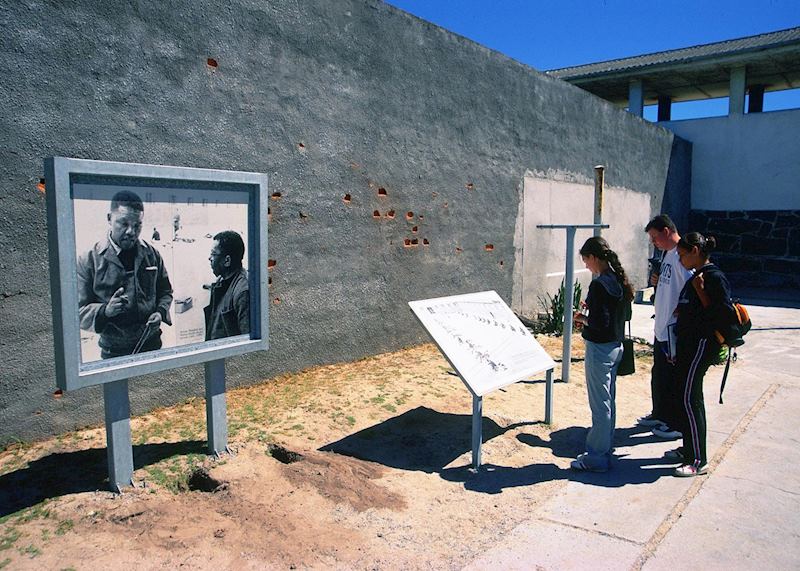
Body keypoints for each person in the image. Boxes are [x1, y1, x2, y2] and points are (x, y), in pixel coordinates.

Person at [77, 190, 173, 359]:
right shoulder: (89, 260)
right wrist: (105, 311)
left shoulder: (152, 254)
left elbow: (165, 291)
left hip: (151, 345)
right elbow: (78, 311)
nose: (131, 231)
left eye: (137, 225)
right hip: (114, 352)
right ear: (109, 219)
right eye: (124, 223)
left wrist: (160, 311)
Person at [669, 233, 732, 477]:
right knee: (683, 396)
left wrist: (701, 293)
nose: (681, 260)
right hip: (687, 346)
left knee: (689, 398)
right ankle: (688, 449)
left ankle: (698, 459)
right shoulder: (696, 276)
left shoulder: (713, 277)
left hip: (701, 346)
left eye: (683, 255)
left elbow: (722, 315)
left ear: (695, 251)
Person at [570, 237, 634, 472]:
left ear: (594, 257)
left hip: (600, 349)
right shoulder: (618, 280)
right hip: (616, 347)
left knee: (600, 406)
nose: (586, 265)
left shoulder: (598, 285)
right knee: (608, 402)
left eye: (586, 259)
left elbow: (599, 323)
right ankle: (604, 450)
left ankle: (596, 457)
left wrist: (583, 319)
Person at [638, 215, 693, 440]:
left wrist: (682, 312)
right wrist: (657, 280)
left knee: (673, 378)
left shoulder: (683, 255)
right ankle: (661, 413)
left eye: (655, 237)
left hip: (673, 329)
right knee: (660, 375)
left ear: (667, 231)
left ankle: (675, 423)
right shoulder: (667, 255)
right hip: (661, 326)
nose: (654, 242)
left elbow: (691, 285)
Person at [205, 230, 250, 340]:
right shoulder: (222, 280)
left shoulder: (243, 292)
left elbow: (246, 341)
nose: (209, 258)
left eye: (213, 254)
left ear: (227, 260)